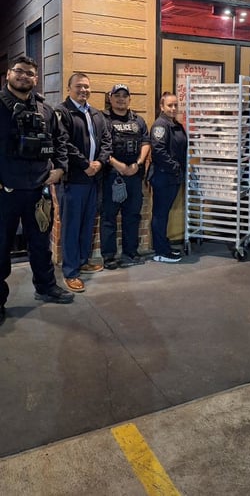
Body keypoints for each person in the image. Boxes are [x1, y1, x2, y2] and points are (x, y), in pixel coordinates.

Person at [0, 55, 74, 324]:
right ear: (8, 74)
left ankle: (46, 287)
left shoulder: (45, 109)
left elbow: (60, 141)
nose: (24, 76)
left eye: (30, 73)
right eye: (19, 71)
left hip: (37, 191)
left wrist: (60, 169)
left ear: (36, 78)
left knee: (41, 244)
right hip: (4, 192)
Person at [56, 73, 112, 292]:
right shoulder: (62, 112)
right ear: (69, 87)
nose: (83, 90)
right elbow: (64, 144)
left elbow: (106, 141)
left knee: (88, 224)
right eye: (79, 86)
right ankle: (70, 272)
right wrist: (85, 164)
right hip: (73, 180)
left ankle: (82, 260)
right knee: (71, 226)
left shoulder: (95, 113)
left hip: (93, 179)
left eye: (87, 87)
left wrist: (99, 162)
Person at [100, 84, 150, 269]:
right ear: (110, 98)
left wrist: (137, 164)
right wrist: (118, 165)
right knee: (109, 217)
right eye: (117, 95)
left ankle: (131, 251)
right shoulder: (103, 119)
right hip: (111, 175)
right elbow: (100, 146)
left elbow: (146, 142)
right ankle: (109, 256)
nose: (121, 99)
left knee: (132, 215)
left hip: (134, 175)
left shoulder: (138, 120)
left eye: (125, 96)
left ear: (130, 99)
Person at [149, 92, 187, 263]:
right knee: (160, 214)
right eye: (169, 105)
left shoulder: (175, 125)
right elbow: (158, 151)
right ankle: (160, 251)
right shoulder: (160, 125)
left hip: (173, 177)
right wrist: (176, 167)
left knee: (164, 213)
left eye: (175, 105)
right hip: (163, 177)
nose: (173, 108)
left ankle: (163, 245)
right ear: (161, 107)